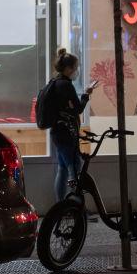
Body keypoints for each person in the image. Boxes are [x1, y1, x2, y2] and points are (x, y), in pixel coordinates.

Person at [49, 49, 95, 203]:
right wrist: (86, 95)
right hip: (67, 135)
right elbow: (77, 108)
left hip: (57, 133)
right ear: (68, 68)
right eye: (76, 67)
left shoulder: (54, 83)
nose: (77, 71)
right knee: (74, 169)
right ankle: (74, 206)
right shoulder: (66, 85)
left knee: (62, 169)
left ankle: (60, 205)